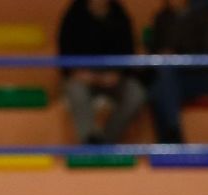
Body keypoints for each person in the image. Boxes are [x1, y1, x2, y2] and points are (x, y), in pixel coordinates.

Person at [57, 0, 146, 146]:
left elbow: (129, 51)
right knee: (75, 90)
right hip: (82, 76)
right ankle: (89, 140)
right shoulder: (73, 14)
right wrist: (77, 71)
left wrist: (118, 73)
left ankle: (106, 141)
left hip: (114, 77)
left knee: (136, 93)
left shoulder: (120, 14)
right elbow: (64, 52)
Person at [147, 0, 208, 145]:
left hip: (198, 77)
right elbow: (153, 49)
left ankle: (172, 137)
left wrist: (178, 58)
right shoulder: (162, 17)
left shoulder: (205, 16)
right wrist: (161, 55)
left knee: (159, 87)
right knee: (158, 86)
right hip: (168, 76)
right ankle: (174, 136)